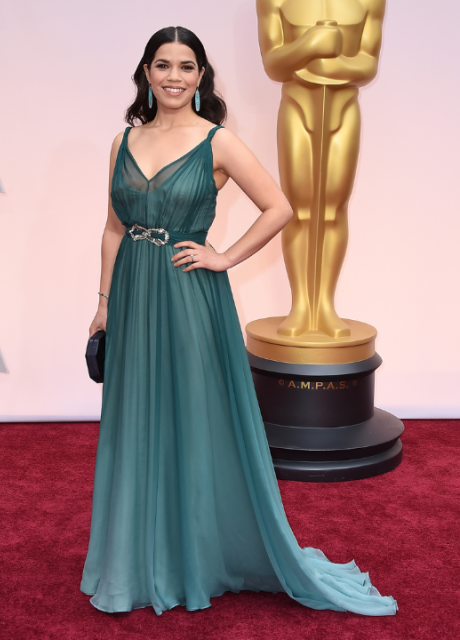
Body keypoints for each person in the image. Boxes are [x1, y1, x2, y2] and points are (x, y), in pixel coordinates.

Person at [81, 26, 396, 616]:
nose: (174, 76)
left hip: (189, 296)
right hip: (133, 292)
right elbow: (112, 228)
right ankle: (143, 552)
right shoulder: (124, 141)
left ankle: (195, 554)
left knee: (195, 419)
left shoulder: (218, 142)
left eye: (186, 66)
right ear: (146, 73)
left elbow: (279, 207)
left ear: (201, 76)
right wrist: (103, 303)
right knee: (140, 418)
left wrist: (222, 257)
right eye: (163, 65)